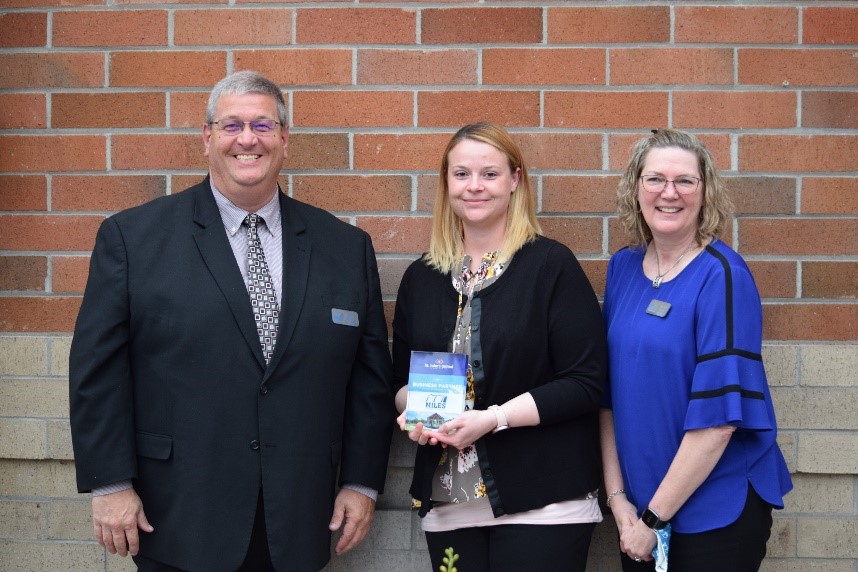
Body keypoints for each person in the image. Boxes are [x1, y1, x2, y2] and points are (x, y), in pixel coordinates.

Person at [68, 70, 394, 572]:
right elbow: (98, 371)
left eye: (264, 125)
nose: (248, 139)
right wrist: (111, 484)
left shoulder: (345, 247)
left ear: (285, 140)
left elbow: (369, 380)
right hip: (178, 513)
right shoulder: (132, 239)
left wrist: (361, 481)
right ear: (207, 138)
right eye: (232, 125)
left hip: (299, 516)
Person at [391, 121, 607, 571]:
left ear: (515, 180)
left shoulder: (550, 266)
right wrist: (416, 413)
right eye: (461, 174)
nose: (475, 187)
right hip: (449, 503)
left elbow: (587, 382)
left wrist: (493, 420)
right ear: (446, 183)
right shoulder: (422, 278)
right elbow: (400, 382)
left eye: (490, 174)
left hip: (544, 500)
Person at [600, 128, 793, 571]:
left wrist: (652, 518)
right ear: (635, 189)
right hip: (639, 516)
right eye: (655, 180)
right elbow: (606, 399)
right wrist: (620, 504)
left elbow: (719, 423)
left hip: (713, 513)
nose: (670, 193)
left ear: (706, 192)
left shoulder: (723, 276)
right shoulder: (622, 269)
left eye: (685, 181)